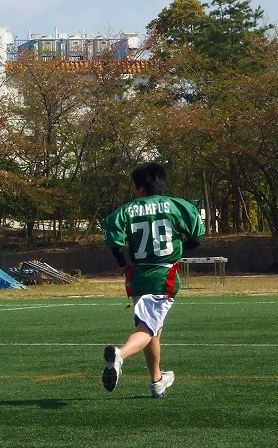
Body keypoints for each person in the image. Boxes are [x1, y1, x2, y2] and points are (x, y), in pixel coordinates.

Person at [101, 162, 205, 398]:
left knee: (151, 327)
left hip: (139, 276)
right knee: (148, 329)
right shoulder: (178, 206)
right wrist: (176, 247)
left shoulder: (126, 210)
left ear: (140, 187)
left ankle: (157, 381)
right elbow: (197, 237)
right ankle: (120, 355)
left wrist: (122, 263)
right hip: (163, 276)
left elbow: (114, 242)